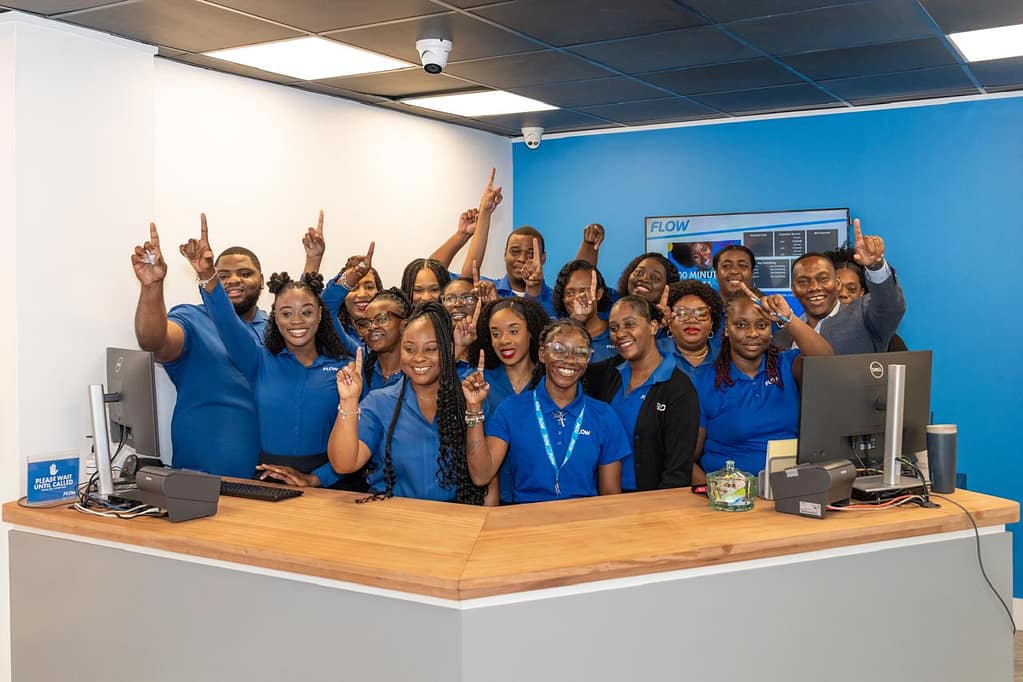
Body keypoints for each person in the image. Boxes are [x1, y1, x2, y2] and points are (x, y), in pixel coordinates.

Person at [180, 224, 357, 489]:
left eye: (306, 312)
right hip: (270, 479)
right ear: (275, 317)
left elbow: (361, 436)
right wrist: (208, 276)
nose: (296, 321)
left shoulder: (344, 367)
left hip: (331, 484)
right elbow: (227, 321)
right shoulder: (259, 360)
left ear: (320, 315)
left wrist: (318, 478)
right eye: (286, 313)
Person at [132, 216, 268, 478]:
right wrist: (152, 286)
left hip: (270, 483)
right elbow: (153, 342)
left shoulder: (280, 330)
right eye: (223, 275)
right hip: (200, 480)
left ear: (261, 280)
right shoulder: (192, 318)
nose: (233, 280)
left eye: (244, 273)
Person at [328, 302, 492, 504]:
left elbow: (482, 477)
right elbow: (343, 464)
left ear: (449, 350)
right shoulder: (379, 402)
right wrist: (348, 400)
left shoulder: (470, 396)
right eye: (409, 349)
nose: (419, 358)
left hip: (452, 516)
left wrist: (474, 409)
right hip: (393, 516)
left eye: (430, 349)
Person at [463, 319, 631, 503]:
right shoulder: (511, 409)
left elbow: (610, 496)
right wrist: (473, 407)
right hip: (527, 515)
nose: (569, 359)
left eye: (580, 353)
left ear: (588, 359)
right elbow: (481, 475)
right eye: (559, 350)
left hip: (584, 517)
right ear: (542, 354)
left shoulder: (604, 415)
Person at [693, 286, 832, 481]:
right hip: (731, 492)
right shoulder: (705, 380)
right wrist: (712, 492)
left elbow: (824, 359)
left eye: (761, 325)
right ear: (726, 329)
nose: (752, 333)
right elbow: (687, 459)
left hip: (791, 485)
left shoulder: (786, 365)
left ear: (771, 330)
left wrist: (788, 318)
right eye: (741, 325)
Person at [585, 297, 700, 491]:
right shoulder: (607, 373)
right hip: (602, 498)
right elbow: (568, 371)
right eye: (614, 328)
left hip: (651, 501)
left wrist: (654, 508)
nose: (620, 334)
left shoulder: (678, 388)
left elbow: (678, 471)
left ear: (653, 327)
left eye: (630, 324)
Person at [773, 220, 905, 355]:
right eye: (803, 282)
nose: (814, 287)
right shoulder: (780, 337)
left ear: (837, 284)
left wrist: (875, 266)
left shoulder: (864, 317)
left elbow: (889, 308)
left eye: (823, 279)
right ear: (794, 290)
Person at [469, 298, 551, 502]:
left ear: (531, 332)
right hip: (493, 499)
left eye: (513, 331)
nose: (503, 340)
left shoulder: (550, 383)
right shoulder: (478, 383)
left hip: (542, 499)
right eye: (495, 334)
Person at [827, 246, 908, 352]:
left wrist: (875, 266)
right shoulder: (810, 327)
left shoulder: (884, 337)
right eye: (837, 287)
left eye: (851, 289)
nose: (843, 294)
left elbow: (889, 306)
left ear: (862, 292)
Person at [656, 280, 723, 381]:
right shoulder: (654, 352)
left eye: (701, 313)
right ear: (669, 322)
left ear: (712, 323)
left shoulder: (724, 357)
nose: (692, 320)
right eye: (682, 313)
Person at [552, 260, 615, 362]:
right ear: (562, 298)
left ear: (599, 294)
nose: (577, 298)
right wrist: (575, 322)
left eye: (584, 292)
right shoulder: (554, 336)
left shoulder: (617, 334)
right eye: (570, 293)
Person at [357, 288, 412, 396]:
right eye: (366, 323)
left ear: (404, 325)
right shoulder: (360, 371)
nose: (372, 327)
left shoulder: (417, 371)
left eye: (381, 319)